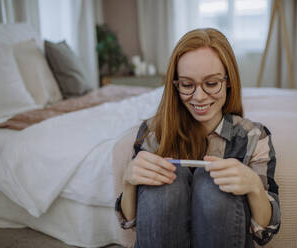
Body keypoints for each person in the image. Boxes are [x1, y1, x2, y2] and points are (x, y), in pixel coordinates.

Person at [115, 28, 281, 248]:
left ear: (229, 81)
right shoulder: (154, 132)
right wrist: (128, 181)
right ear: (175, 85)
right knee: (168, 182)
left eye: (211, 83)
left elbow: (265, 232)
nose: (199, 97)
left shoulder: (253, 137)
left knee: (211, 182)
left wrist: (254, 186)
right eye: (187, 85)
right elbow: (131, 222)